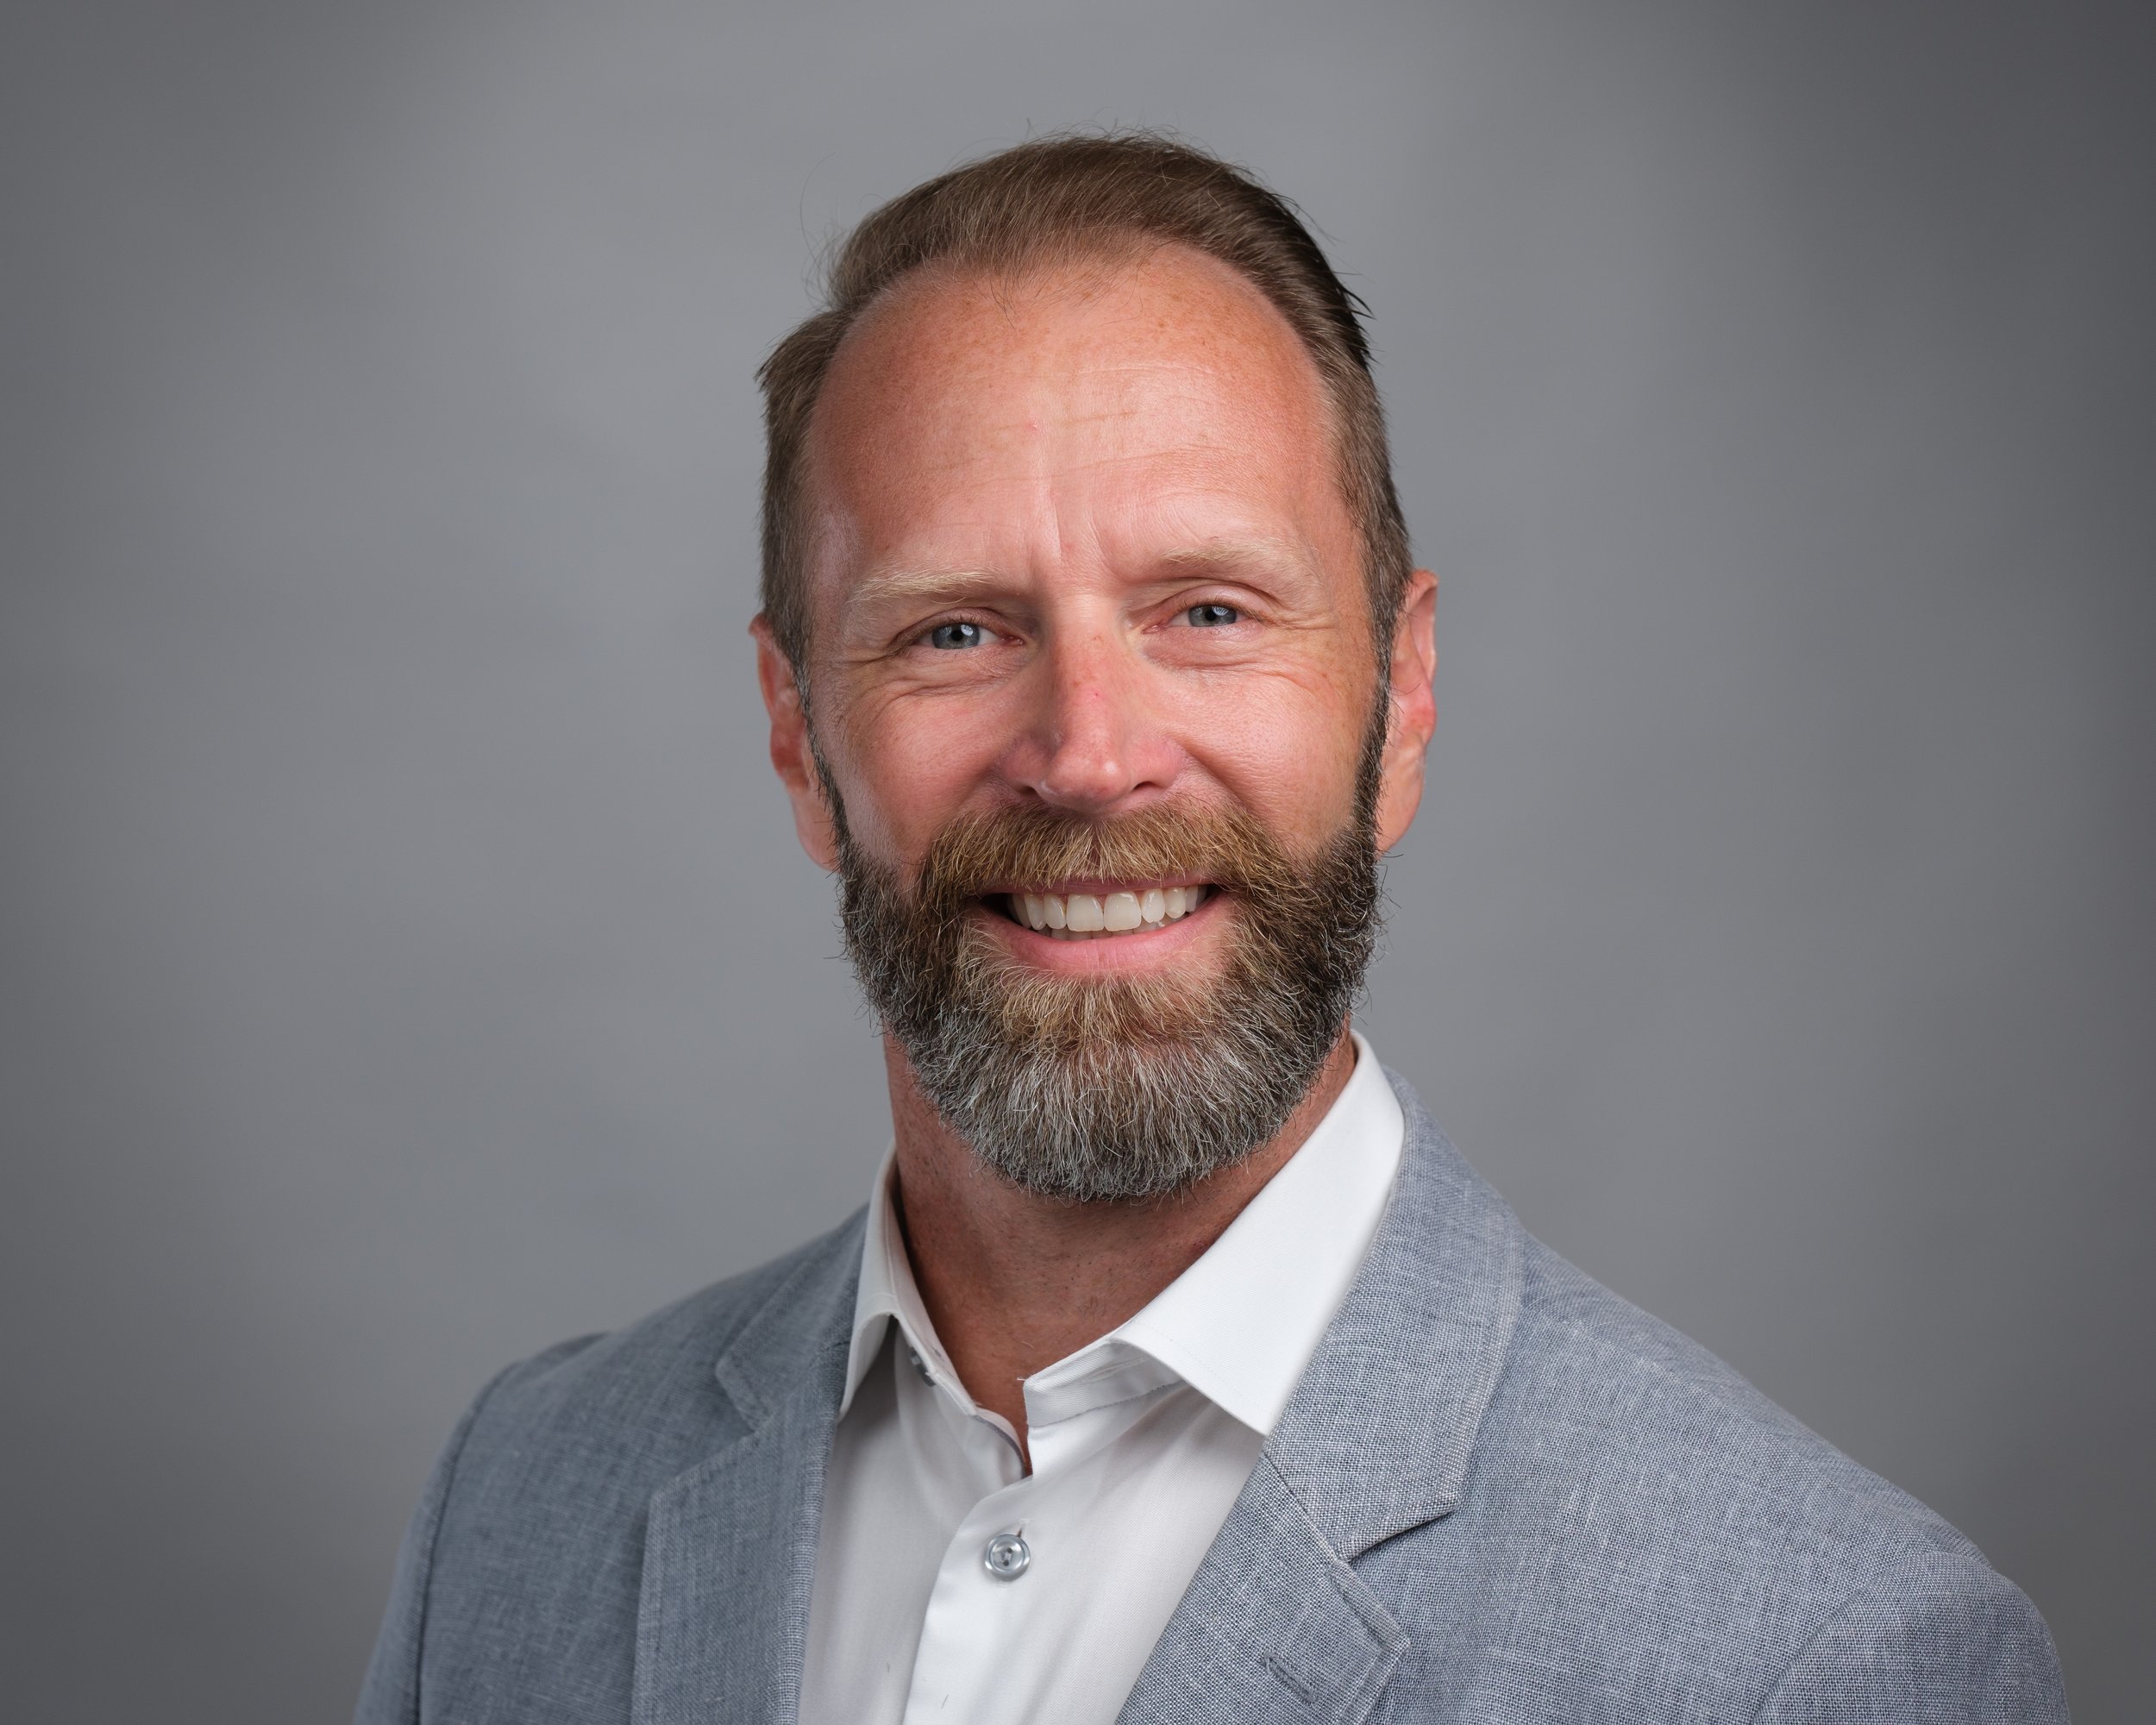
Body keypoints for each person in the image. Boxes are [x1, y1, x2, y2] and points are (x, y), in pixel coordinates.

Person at [355, 133, 2067, 1725]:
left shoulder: (1813, 1653)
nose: (1089, 755)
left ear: (1396, 699)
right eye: (954, 632)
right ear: (798, 731)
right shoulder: (521, 1495)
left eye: (1206, 610)